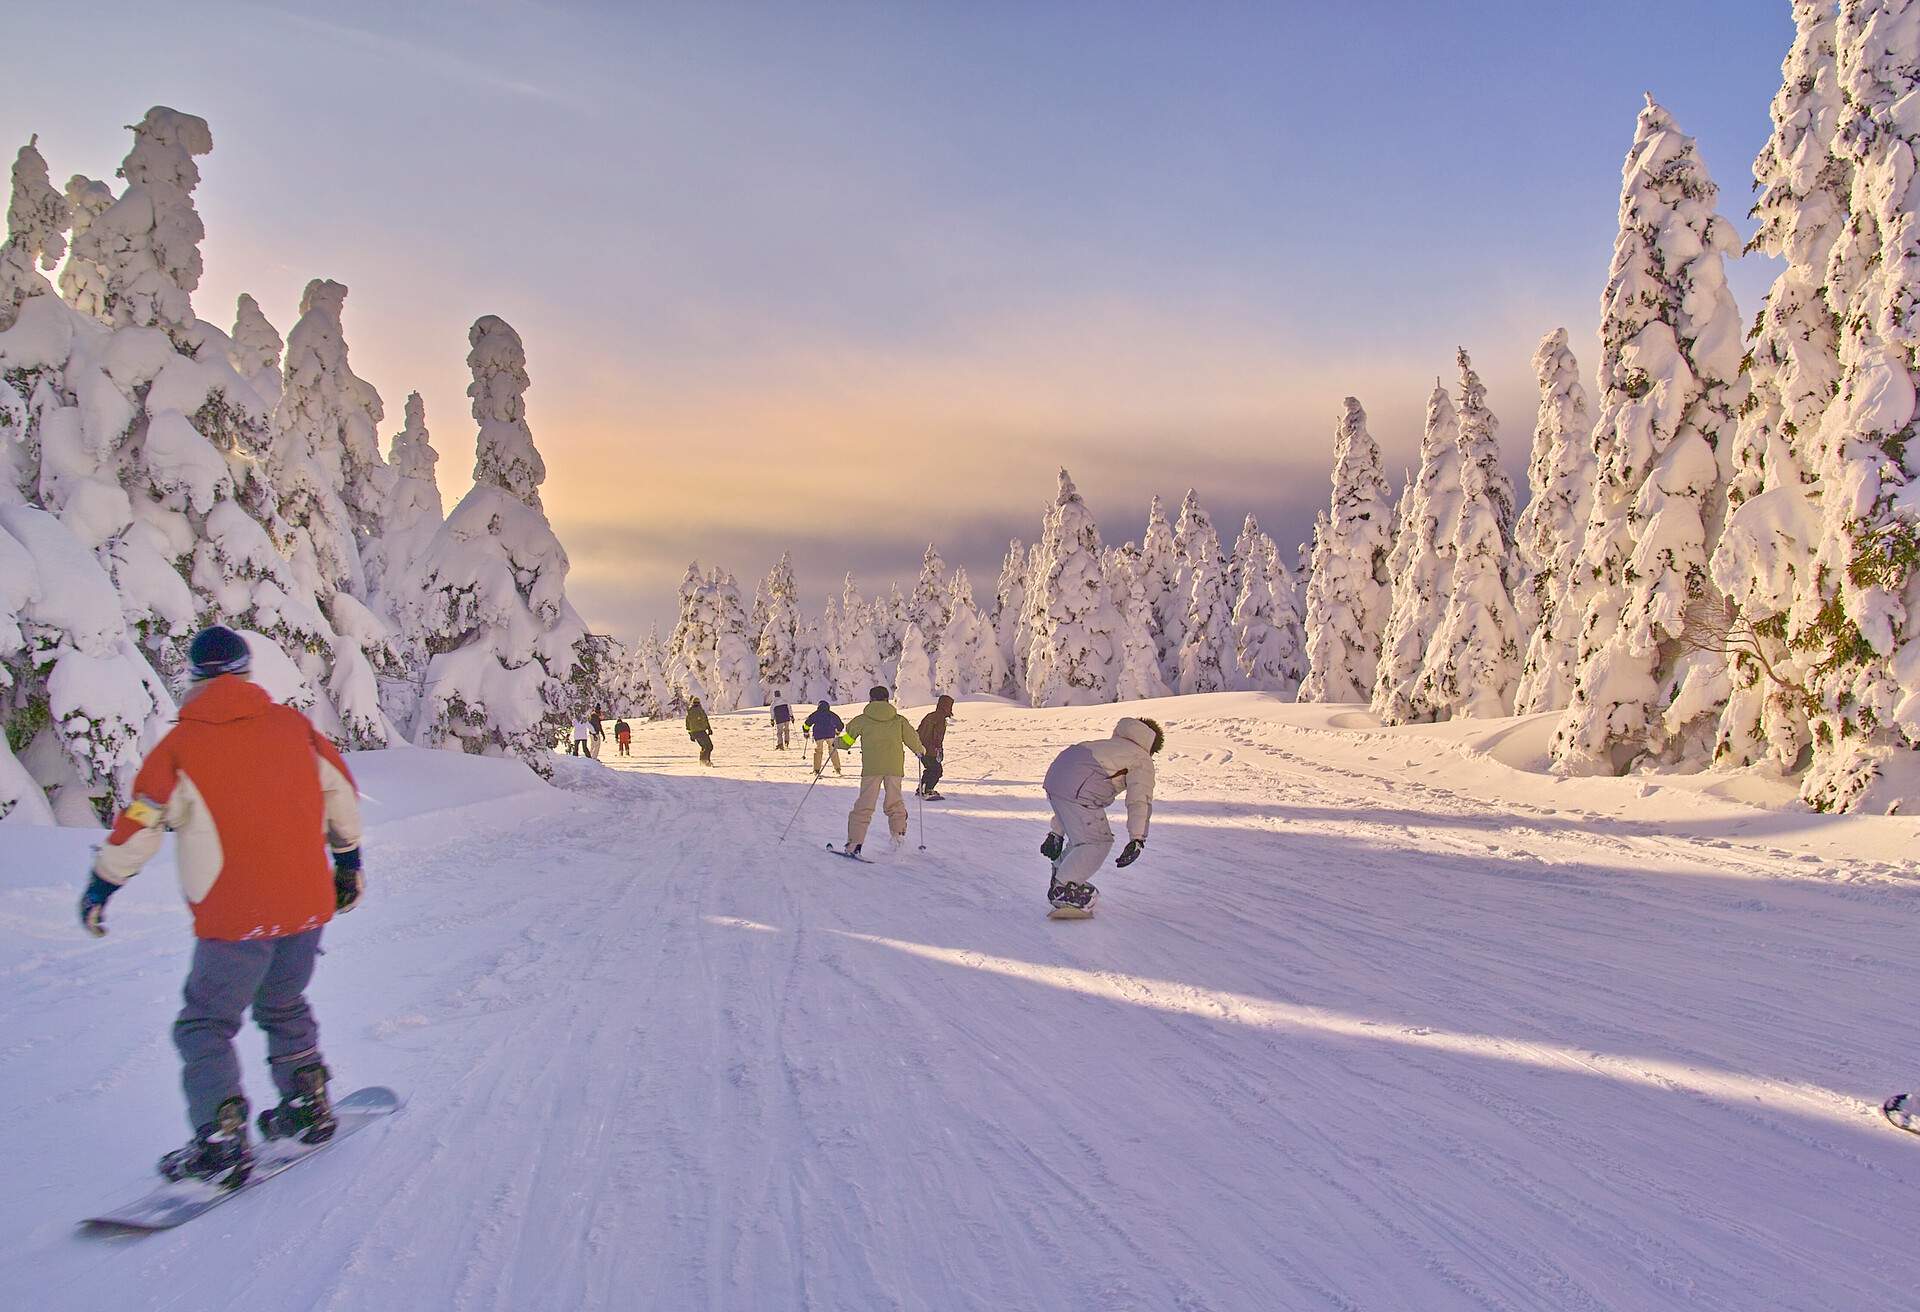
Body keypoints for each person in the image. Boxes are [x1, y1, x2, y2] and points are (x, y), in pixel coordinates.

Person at [78, 625, 365, 1187]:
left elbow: (141, 822)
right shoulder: (293, 727)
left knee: (206, 1023)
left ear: (194, 678)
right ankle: (308, 1105)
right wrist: (349, 861)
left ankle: (222, 1138)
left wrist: (102, 885)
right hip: (306, 907)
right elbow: (340, 792)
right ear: (245, 672)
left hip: (236, 919)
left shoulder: (180, 747)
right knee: (284, 1004)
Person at [1039, 717, 1163, 912]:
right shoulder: (1141, 758)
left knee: (1082, 838)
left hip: (1057, 776)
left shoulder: (1112, 745)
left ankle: (1060, 876)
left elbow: (1070, 790)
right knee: (1097, 841)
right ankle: (1063, 888)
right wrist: (1137, 839)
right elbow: (1139, 800)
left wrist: (1057, 833)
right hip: (1077, 789)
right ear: (1151, 745)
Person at [838, 686, 925, 856]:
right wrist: (920, 750)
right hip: (894, 767)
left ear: (871, 699)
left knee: (864, 805)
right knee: (895, 803)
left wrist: (837, 743)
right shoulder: (899, 720)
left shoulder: (862, 720)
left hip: (872, 768)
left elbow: (847, 741)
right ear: (887, 699)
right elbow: (912, 739)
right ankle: (898, 837)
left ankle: (854, 845)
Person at [915, 694, 957, 800]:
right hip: (927, 749)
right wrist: (931, 748)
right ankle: (927, 790)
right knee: (936, 770)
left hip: (925, 748)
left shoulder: (937, 716)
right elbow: (928, 734)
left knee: (931, 769)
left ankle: (922, 789)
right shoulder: (937, 718)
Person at [804, 700, 844, 777]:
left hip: (819, 735)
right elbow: (840, 724)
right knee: (833, 751)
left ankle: (816, 770)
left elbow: (807, 723)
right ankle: (837, 768)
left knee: (818, 751)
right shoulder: (831, 714)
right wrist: (838, 731)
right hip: (830, 734)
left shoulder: (816, 714)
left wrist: (806, 732)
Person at [685, 698, 714, 766]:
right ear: (699, 703)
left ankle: (703, 761)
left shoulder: (689, 712)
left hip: (694, 733)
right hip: (701, 732)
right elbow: (705, 720)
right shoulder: (700, 711)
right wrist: (709, 729)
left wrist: (691, 735)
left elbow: (687, 725)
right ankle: (705, 761)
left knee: (704, 746)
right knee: (709, 746)